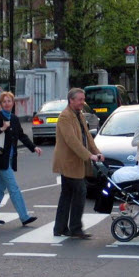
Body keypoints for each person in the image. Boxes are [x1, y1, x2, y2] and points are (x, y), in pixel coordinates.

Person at [0, 91, 42, 226]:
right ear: (1, 104)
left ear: (13, 103)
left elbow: (21, 135)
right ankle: (24, 216)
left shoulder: (14, 119)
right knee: (14, 188)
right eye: (4, 101)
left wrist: (33, 147)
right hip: (0, 159)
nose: (7, 103)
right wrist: (2, 128)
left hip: (10, 159)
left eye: (9, 101)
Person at [52, 88, 104, 239]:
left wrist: (97, 152)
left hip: (76, 161)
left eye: (83, 99)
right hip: (68, 162)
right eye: (80, 99)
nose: (83, 102)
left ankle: (60, 228)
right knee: (80, 192)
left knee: (67, 194)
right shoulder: (65, 117)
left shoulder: (79, 115)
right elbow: (72, 142)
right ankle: (75, 228)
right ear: (71, 100)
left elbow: (87, 137)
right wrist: (90, 156)